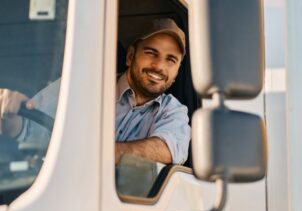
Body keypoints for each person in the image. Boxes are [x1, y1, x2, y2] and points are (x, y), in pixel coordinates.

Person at [0, 18, 190, 165]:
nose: (159, 66)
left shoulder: (174, 111)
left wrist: (87, 157)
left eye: (170, 60)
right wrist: (9, 116)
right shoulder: (80, 85)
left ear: (176, 72)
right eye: (151, 53)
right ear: (131, 56)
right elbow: (29, 130)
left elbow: (167, 149)